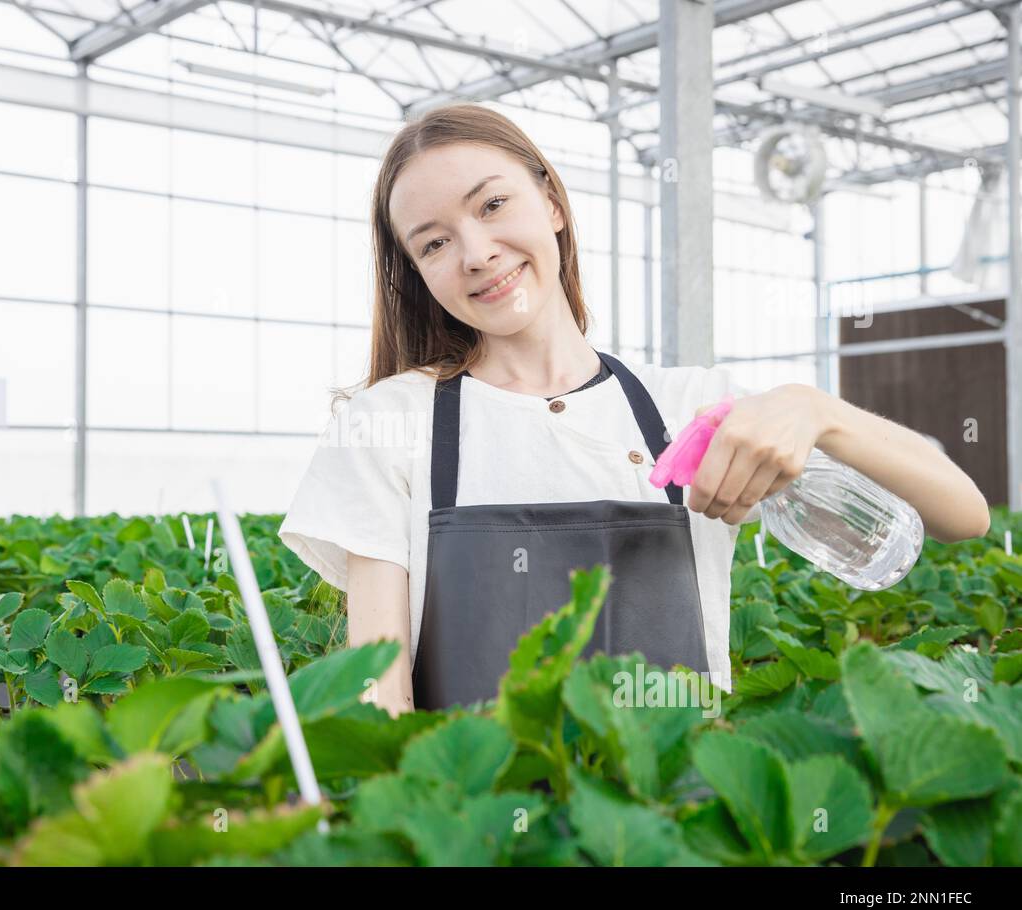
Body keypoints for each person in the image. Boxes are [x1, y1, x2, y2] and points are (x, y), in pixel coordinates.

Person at [278, 103, 992, 717]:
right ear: (419, 273)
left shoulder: (692, 409)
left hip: (672, 815)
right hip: (479, 821)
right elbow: (380, 690)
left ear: (552, 203)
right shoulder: (391, 422)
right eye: (433, 243)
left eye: (493, 205)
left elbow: (963, 514)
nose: (475, 252)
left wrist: (814, 409)